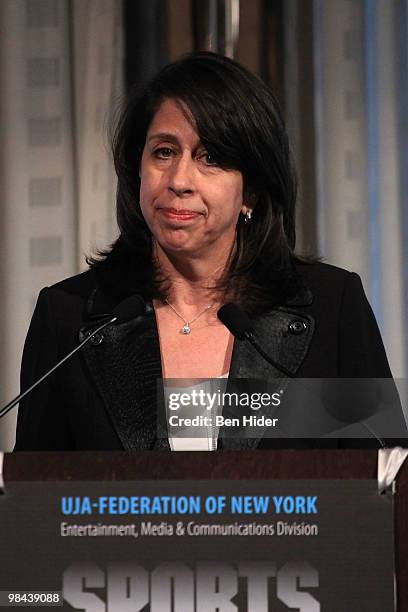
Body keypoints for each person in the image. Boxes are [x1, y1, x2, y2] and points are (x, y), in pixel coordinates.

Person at [14, 52, 406, 451]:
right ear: (137, 169)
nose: (179, 179)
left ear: (250, 190)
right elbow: (36, 502)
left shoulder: (331, 307)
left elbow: (385, 490)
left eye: (211, 157)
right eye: (164, 152)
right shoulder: (69, 317)